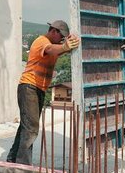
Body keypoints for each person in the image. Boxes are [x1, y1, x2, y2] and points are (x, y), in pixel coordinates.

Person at [7, 20, 80, 164]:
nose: (62, 40)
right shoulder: (42, 41)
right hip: (29, 87)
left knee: (26, 126)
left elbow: (59, 50)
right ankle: (23, 166)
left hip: (37, 89)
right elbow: (51, 49)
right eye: (61, 37)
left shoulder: (55, 46)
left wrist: (69, 44)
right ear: (54, 31)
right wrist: (65, 46)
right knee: (31, 129)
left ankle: (12, 159)